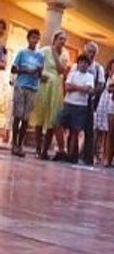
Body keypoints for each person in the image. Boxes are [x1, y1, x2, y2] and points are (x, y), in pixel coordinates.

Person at [34, 30, 69, 160]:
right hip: (44, 85)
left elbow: (61, 70)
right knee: (40, 117)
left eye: (64, 40)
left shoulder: (65, 54)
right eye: (61, 39)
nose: (63, 42)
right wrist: (39, 74)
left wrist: (55, 51)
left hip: (56, 87)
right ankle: (38, 149)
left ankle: (45, 150)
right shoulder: (43, 51)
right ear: (54, 39)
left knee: (53, 119)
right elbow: (36, 65)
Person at [9, 29, 44, 157]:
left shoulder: (40, 56)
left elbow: (40, 74)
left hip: (33, 87)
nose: (35, 40)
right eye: (33, 37)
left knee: (26, 118)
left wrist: (39, 72)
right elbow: (14, 68)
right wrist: (26, 70)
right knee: (17, 116)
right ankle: (13, 144)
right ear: (28, 38)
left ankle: (20, 145)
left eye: (37, 38)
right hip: (21, 86)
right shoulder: (22, 53)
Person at [57, 54, 95, 163]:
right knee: (58, 123)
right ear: (78, 63)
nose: (83, 65)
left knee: (75, 131)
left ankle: (70, 154)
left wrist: (75, 87)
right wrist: (80, 88)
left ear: (88, 65)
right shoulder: (72, 74)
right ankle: (62, 148)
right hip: (68, 103)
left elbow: (88, 89)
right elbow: (67, 87)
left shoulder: (90, 77)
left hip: (81, 106)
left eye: (86, 63)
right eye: (81, 62)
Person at [81, 41, 106, 165]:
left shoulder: (98, 68)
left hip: (89, 101)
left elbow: (101, 84)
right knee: (73, 128)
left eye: (93, 52)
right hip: (76, 100)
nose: (91, 54)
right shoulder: (78, 65)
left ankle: (87, 156)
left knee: (89, 130)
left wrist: (92, 93)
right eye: (89, 51)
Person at [93, 58, 114, 164]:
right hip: (103, 101)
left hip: (112, 102)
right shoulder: (105, 74)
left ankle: (104, 155)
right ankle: (93, 152)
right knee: (97, 129)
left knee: (108, 131)